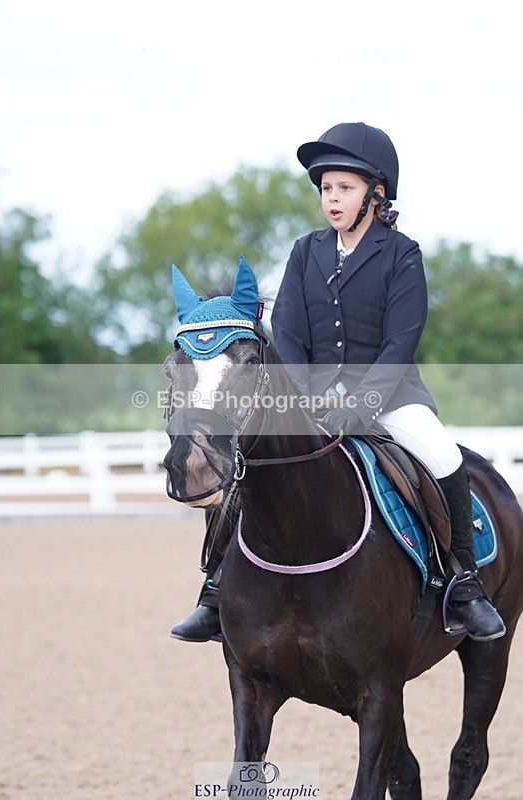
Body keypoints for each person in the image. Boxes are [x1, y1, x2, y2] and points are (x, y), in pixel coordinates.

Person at [171, 121, 505, 643]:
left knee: (443, 455)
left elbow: (402, 339)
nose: (332, 198)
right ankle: (215, 589)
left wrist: (363, 401)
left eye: (344, 188)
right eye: (326, 188)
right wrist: (306, 393)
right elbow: (289, 328)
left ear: (375, 195)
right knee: (246, 459)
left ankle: (463, 584)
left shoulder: (402, 254)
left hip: (391, 395)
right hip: (310, 396)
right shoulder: (306, 251)